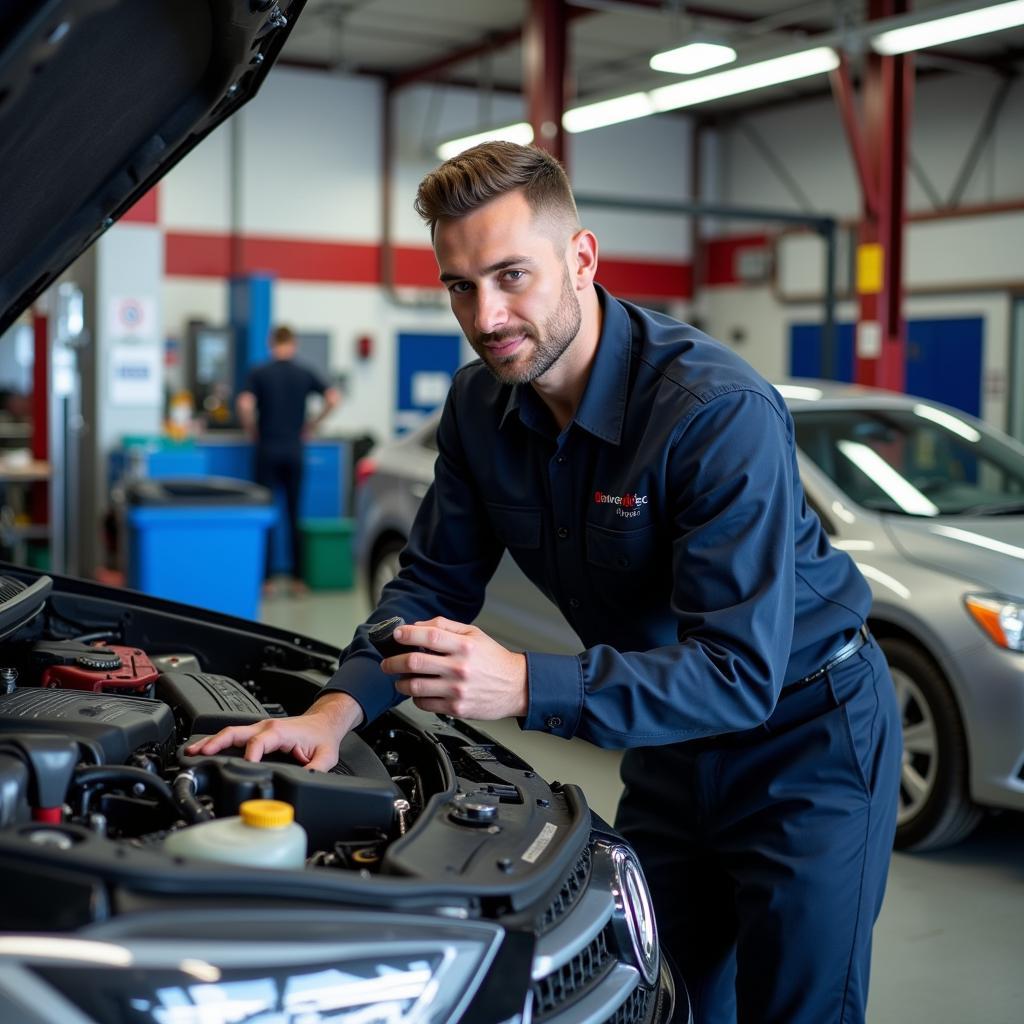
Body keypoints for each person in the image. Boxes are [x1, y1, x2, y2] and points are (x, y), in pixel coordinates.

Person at [190, 143, 901, 1023]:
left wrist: (524, 683)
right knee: (655, 993)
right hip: (672, 742)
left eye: (511, 276)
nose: (487, 316)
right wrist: (331, 716)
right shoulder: (479, 410)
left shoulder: (713, 413)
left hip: (807, 736)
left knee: (799, 1008)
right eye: (459, 285)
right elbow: (430, 585)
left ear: (583, 259)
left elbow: (738, 673)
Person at [237, 325, 340, 596]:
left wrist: (252, 429)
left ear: (271, 343)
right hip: (295, 450)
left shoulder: (259, 372)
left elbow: (245, 405)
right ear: (292, 344)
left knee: (267, 515)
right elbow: (333, 397)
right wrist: (312, 424)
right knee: (295, 514)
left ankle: (266, 581)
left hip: (267, 450)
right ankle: (298, 581)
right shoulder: (303, 372)